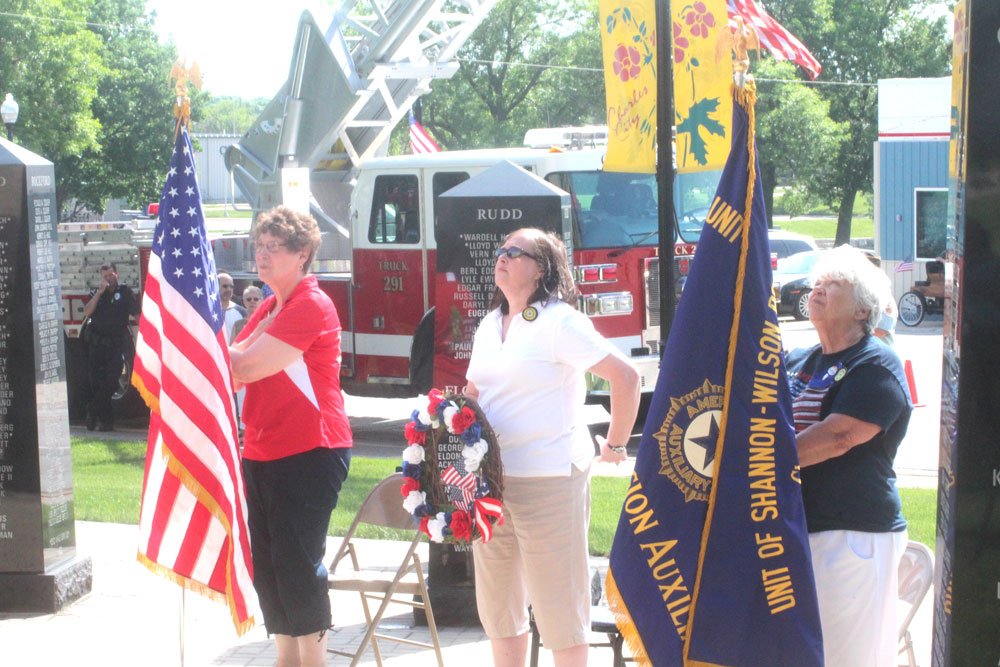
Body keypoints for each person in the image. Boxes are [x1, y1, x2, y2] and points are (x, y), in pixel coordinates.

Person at [464, 228, 640, 667]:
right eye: (499, 250)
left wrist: (615, 444)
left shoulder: (561, 321)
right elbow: (472, 395)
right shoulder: (489, 324)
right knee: (500, 610)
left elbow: (626, 378)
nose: (501, 257)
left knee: (560, 610)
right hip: (492, 486)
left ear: (540, 269)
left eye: (513, 252)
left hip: (551, 481)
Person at [229, 206, 352, 666]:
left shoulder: (311, 304)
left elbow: (243, 366)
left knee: (298, 564)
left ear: (302, 254)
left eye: (272, 247)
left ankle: (311, 661)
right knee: (269, 566)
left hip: (310, 449)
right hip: (261, 449)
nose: (261, 254)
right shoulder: (269, 304)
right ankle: (287, 659)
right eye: (258, 245)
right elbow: (236, 375)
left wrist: (208, 349)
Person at [786, 245, 911, 667]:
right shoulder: (799, 360)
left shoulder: (877, 365)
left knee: (846, 659)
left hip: (853, 537)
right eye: (816, 282)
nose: (818, 289)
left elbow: (838, 436)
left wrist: (757, 464)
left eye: (834, 283)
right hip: (798, 531)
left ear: (863, 310)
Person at [81, 263, 140, 431]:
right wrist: (99, 293)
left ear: (117, 274)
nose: (108, 279)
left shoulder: (125, 293)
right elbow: (87, 312)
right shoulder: (96, 293)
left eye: (110, 275)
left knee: (112, 382)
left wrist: (144, 335)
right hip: (97, 346)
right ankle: (106, 422)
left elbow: (136, 314)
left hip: (116, 346)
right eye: (105, 276)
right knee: (97, 383)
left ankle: (92, 409)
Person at [218, 272, 247, 342]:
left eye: (231, 287)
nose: (229, 289)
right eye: (225, 286)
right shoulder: (208, 311)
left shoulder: (242, 312)